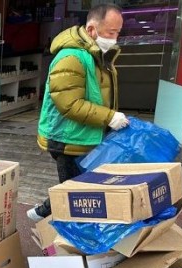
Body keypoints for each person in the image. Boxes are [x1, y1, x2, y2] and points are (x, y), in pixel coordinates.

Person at [28, 4, 127, 221]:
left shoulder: (99, 55)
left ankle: (43, 212)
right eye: (111, 32)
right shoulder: (71, 57)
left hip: (87, 135)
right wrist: (109, 117)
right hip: (67, 138)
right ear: (92, 30)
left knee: (79, 190)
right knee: (76, 195)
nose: (115, 38)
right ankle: (48, 221)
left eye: (118, 32)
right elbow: (70, 104)